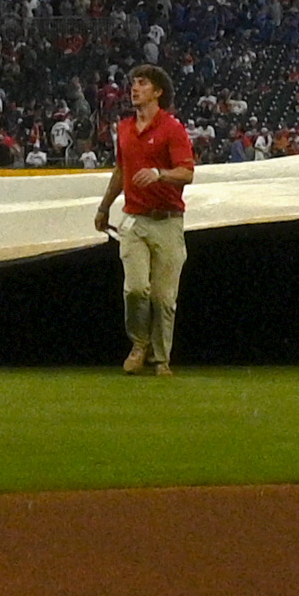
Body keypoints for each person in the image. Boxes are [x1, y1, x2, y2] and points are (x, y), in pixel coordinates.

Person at [99, 66, 197, 373]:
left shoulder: (172, 129)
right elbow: (121, 171)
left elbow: (187, 173)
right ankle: (139, 344)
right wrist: (104, 208)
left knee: (164, 297)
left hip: (167, 221)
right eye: (133, 83)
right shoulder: (125, 128)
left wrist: (159, 175)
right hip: (135, 220)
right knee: (135, 289)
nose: (134, 88)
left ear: (158, 92)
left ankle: (161, 357)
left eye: (142, 83)